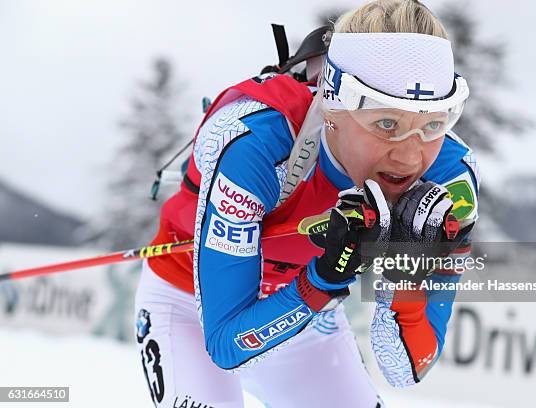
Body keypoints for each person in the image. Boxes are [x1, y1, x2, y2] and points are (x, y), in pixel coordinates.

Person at [134, 1, 480, 407]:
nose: (409, 158)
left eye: (434, 124)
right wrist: (323, 278)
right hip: (188, 303)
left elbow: (404, 369)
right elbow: (226, 342)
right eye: (387, 124)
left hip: (307, 316)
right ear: (334, 105)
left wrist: (407, 276)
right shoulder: (258, 143)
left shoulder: (449, 179)